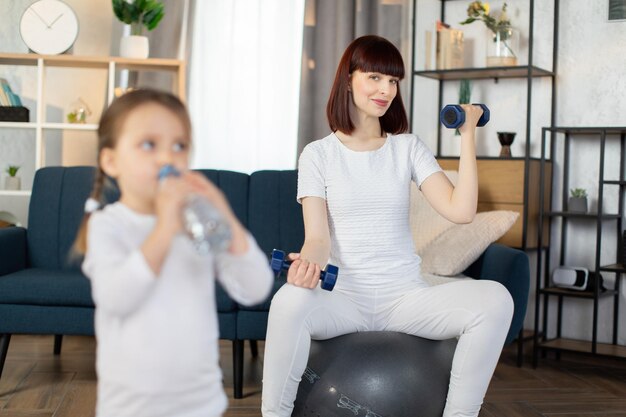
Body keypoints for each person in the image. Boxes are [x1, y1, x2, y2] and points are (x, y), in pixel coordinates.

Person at [261, 35, 513, 417]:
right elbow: (317, 237)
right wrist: (308, 266)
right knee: (287, 302)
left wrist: (467, 137)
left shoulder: (407, 148)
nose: (386, 90)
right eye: (375, 77)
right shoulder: (318, 154)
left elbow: (461, 211)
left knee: (496, 299)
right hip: (343, 299)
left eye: (393, 81)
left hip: (404, 299)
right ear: (349, 79)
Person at [73, 89, 273, 417]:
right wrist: (165, 227)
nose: (168, 158)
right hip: (130, 407)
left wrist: (226, 218)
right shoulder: (108, 225)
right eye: (149, 144)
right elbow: (116, 297)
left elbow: (255, 288)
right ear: (111, 161)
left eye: (179, 146)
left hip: (200, 403)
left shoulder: (197, 221)